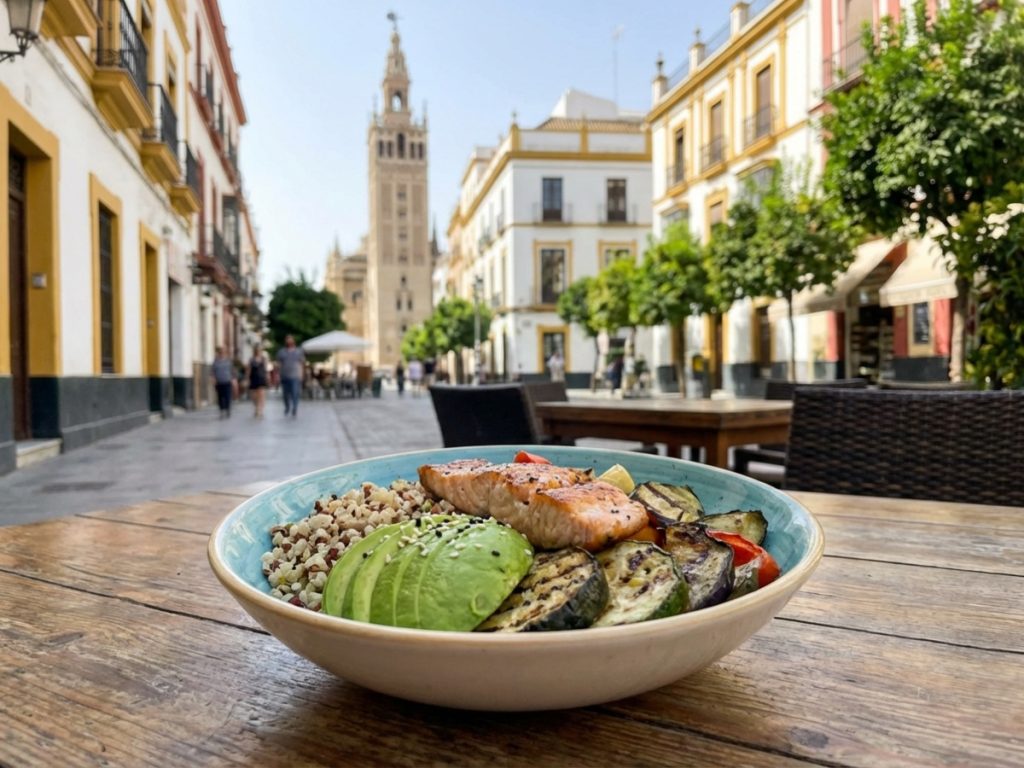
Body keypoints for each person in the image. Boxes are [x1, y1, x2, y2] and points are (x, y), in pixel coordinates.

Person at [276, 335, 306, 418]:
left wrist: (301, 374)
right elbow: (279, 364)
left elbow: (301, 364)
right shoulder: (281, 352)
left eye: (290, 340)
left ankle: (295, 408)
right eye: (287, 340)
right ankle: (287, 407)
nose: (289, 342)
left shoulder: (298, 351)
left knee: (294, 393)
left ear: (293, 341)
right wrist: (278, 375)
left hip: (295, 376)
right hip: (284, 376)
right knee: (285, 394)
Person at [211, 346, 235, 418]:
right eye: (220, 352)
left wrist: (233, 379)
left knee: (227, 396)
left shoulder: (228, 361)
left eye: (223, 351)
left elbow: (232, 371)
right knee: (220, 397)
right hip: (219, 382)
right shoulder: (216, 361)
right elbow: (213, 371)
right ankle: (221, 410)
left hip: (227, 381)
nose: (222, 353)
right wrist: (213, 379)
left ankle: (227, 409)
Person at [247, 347, 269, 419]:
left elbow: (266, 369)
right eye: (257, 350)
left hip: (261, 378)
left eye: (259, 350)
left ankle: (260, 410)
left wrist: (267, 376)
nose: (258, 352)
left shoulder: (263, 359)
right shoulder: (251, 359)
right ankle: (256, 406)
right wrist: (247, 378)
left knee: (261, 394)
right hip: (253, 378)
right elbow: (249, 369)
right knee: (254, 396)